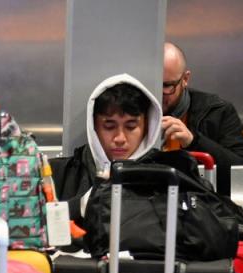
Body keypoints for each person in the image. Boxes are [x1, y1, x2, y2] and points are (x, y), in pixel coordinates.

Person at [50, 74, 163, 222]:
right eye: (109, 126)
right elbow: (28, 228)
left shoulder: (165, 178)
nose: (120, 138)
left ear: (147, 127)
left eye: (131, 126)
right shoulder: (58, 175)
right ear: (94, 126)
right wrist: (79, 206)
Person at [161, 42, 243, 196]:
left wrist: (194, 141)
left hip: (202, 208)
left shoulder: (217, 111)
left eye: (167, 86)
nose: (159, 94)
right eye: (153, 84)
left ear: (185, 79)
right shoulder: (131, 111)